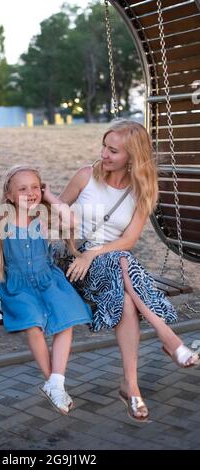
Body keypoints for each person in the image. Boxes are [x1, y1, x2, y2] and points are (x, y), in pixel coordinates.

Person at [57, 120, 200, 422]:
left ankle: (131, 386)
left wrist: (95, 253)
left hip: (111, 269)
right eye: (104, 146)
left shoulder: (142, 191)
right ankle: (168, 337)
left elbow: (128, 239)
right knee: (122, 259)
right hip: (74, 265)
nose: (103, 155)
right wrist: (75, 248)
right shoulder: (86, 176)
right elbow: (57, 214)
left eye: (113, 151)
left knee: (123, 293)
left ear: (132, 157)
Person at [0, 165, 92, 415]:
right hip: (19, 286)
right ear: (9, 195)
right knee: (33, 324)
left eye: (35, 187)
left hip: (48, 280)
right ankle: (54, 384)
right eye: (23, 188)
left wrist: (49, 196)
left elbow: (71, 221)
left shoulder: (43, 215)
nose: (31, 193)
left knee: (66, 318)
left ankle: (55, 382)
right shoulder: (2, 220)